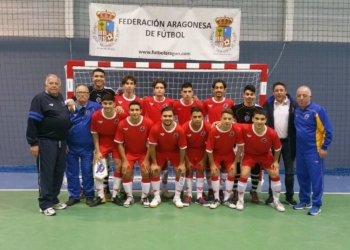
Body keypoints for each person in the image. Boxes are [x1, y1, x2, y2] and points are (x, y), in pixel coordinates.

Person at [26, 74, 70, 216]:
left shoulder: (60, 98)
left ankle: (53, 199)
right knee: (46, 173)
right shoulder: (39, 99)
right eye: (50, 83)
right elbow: (32, 122)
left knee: (58, 172)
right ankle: (44, 204)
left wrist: (65, 141)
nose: (53, 85)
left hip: (61, 143)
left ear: (60, 86)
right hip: (46, 142)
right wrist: (33, 143)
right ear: (46, 85)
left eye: (56, 83)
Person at [293, 86, 333, 216]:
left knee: (316, 179)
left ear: (310, 96)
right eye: (299, 95)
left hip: (314, 151)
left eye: (304, 95)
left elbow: (328, 131)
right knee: (302, 176)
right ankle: (305, 201)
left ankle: (316, 204)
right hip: (300, 150)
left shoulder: (318, 110)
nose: (301, 98)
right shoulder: (297, 110)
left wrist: (324, 147)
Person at [237, 109, 285, 212]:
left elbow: (277, 148)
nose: (259, 121)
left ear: (265, 120)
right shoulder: (245, 128)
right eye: (257, 119)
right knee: (244, 174)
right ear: (253, 119)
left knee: (275, 173)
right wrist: (217, 122)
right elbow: (232, 124)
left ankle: (276, 201)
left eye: (262, 119)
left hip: (265, 155)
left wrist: (275, 161)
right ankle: (240, 200)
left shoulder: (272, 133)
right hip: (249, 155)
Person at [65, 85, 102, 206]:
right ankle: (74, 195)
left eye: (84, 92)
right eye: (79, 92)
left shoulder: (95, 107)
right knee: (72, 172)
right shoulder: (68, 107)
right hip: (71, 147)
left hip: (88, 147)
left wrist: (117, 108)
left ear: (88, 95)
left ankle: (89, 195)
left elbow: (108, 111)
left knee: (87, 171)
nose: (81, 94)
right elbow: (61, 125)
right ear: (75, 94)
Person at [263, 82, 298, 206]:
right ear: (273, 92)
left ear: (285, 91)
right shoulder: (267, 104)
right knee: (272, 171)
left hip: (288, 143)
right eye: (276, 90)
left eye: (281, 90)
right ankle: (272, 196)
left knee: (289, 173)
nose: (279, 92)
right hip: (272, 144)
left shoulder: (293, 104)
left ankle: (289, 196)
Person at [114, 101, 153, 208]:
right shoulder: (122, 124)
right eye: (132, 110)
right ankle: (129, 197)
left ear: (141, 111)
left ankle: (144, 196)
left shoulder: (148, 123)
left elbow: (151, 144)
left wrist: (146, 160)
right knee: (126, 171)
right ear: (129, 111)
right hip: (129, 153)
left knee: (145, 171)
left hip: (143, 153)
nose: (134, 112)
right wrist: (125, 160)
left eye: (137, 110)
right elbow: (120, 144)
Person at [148, 107, 187, 208]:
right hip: (160, 152)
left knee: (181, 172)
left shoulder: (179, 130)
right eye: (165, 116)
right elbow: (152, 146)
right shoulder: (155, 128)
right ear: (161, 117)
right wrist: (154, 163)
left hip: (174, 152)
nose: (167, 118)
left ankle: (177, 197)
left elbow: (182, 148)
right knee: (155, 170)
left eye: (170, 116)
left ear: (174, 117)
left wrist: (181, 163)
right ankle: (157, 197)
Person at [142, 79, 175, 198]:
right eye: (157, 88)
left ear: (164, 89)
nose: (159, 89)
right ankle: (151, 189)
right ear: (154, 89)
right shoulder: (147, 101)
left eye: (161, 87)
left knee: (165, 164)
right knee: (153, 164)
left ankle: (164, 189)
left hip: (166, 137)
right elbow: (138, 112)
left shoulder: (171, 102)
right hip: (152, 137)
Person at [89, 94, 123, 207]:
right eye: (105, 103)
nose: (108, 105)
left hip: (117, 142)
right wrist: (97, 151)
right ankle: (101, 196)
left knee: (118, 165)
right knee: (99, 166)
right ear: (101, 104)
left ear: (114, 104)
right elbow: (95, 134)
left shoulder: (121, 114)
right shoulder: (96, 116)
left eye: (110, 103)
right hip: (102, 142)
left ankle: (115, 195)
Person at [203, 79, 234, 201]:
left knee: (225, 166)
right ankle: (211, 188)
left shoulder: (230, 102)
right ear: (213, 89)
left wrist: (220, 123)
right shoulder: (207, 102)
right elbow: (202, 118)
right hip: (211, 137)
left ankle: (220, 189)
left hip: (225, 137)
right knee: (209, 166)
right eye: (217, 87)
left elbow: (232, 119)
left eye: (221, 87)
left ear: (225, 89)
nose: (219, 90)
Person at [232, 84, 263, 204]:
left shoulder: (259, 109)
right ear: (243, 95)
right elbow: (229, 120)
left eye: (251, 94)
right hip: (239, 143)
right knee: (238, 166)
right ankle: (235, 190)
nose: (249, 96)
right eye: (247, 94)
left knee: (255, 167)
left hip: (254, 144)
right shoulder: (236, 108)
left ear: (255, 95)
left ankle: (253, 191)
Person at [206, 109, 243, 209]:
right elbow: (209, 150)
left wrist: (235, 163)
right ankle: (216, 199)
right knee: (214, 172)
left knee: (232, 171)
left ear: (233, 120)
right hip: (216, 155)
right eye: (225, 118)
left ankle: (226, 199)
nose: (227, 121)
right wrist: (213, 164)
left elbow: (240, 147)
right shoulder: (213, 131)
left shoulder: (237, 129)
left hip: (229, 154)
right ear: (220, 119)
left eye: (229, 119)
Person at [181, 106, 211, 206]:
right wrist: (187, 160)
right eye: (195, 117)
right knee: (188, 170)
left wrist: (203, 160)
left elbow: (209, 146)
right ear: (191, 117)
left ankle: (199, 196)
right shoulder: (184, 127)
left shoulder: (207, 126)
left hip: (201, 151)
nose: (197, 119)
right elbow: (182, 147)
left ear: (203, 116)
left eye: (199, 116)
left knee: (200, 170)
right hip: (188, 151)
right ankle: (188, 195)